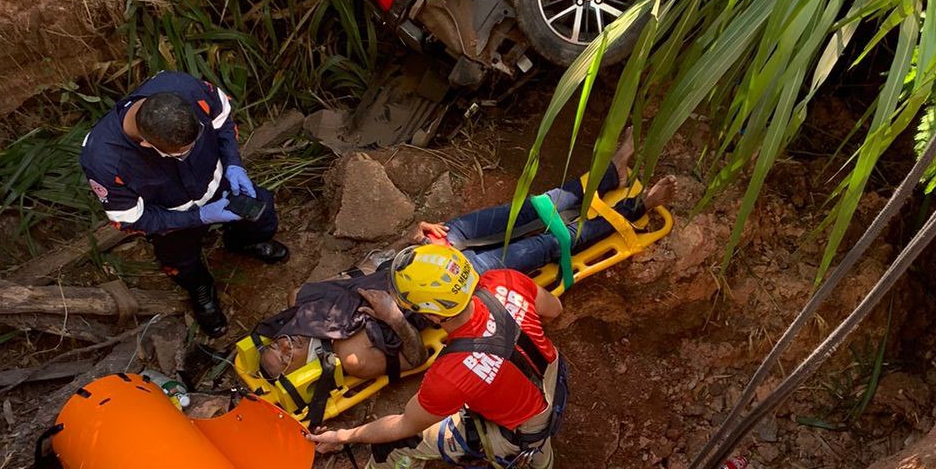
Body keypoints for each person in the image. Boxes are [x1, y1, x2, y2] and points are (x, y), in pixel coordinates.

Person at [257, 132, 674, 383]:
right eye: (287, 356)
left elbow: (360, 272)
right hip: (455, 286)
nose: (289, 343)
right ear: (299, 370)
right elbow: (415, 359)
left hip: (424, 254)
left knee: (531, 209)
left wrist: (404, 240)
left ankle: (611, 175)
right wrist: (393, 318)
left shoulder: (304, 300)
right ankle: (634, 209)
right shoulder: (354, 360)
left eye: (279, 342)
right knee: (547, 245)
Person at [310, 243, 567, 469]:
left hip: (517, 428)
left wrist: (344, 436)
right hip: (550, 383)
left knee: (403, 442)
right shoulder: (505, 280)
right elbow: (553, 309)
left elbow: (404, 425)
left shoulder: (451, 373)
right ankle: (541, 467)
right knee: (534, 431)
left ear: (433, 315)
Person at [79, 70, 288, 338]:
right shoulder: (104, 160)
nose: (187, 154)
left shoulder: (185, 88)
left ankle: (243, 242)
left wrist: (234, 164)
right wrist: (200, 217)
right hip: (171, 219)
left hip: (220, 183)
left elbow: (222, 118)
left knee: (262, 212)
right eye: (180, 153)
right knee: (180, 262)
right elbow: (131, 219)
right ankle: (201, 288)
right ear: (145, 143)